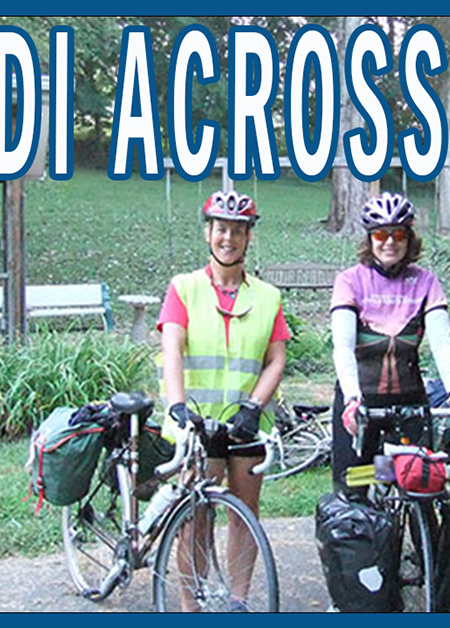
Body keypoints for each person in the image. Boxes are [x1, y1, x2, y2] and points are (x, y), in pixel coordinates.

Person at [157, 190, 290, 612]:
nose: (228, 237)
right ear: (208, 234)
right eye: (221, 229)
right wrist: (178, 408)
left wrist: (254, 407)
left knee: (244, 514)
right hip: (197, 424)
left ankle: (237, 601)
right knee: (195, 518)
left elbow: (276, 359)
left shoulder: (268, 296)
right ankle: (190, 606)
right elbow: (172, 349)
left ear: (248, 237)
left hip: (246, 425)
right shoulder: (184, 288)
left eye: (237, 230)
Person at [329, 192, 450, 495]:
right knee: (353, 492)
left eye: (399, 234)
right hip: (361, 398)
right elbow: (343, 346)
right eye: (381, 234)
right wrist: (353, 399)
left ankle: (424, 540)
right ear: (369, 239)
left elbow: (442, 343)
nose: (390, 242)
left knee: (422, 486)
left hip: (410, 399)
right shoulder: (350, 280)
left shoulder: (426, 282)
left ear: (409, 239)